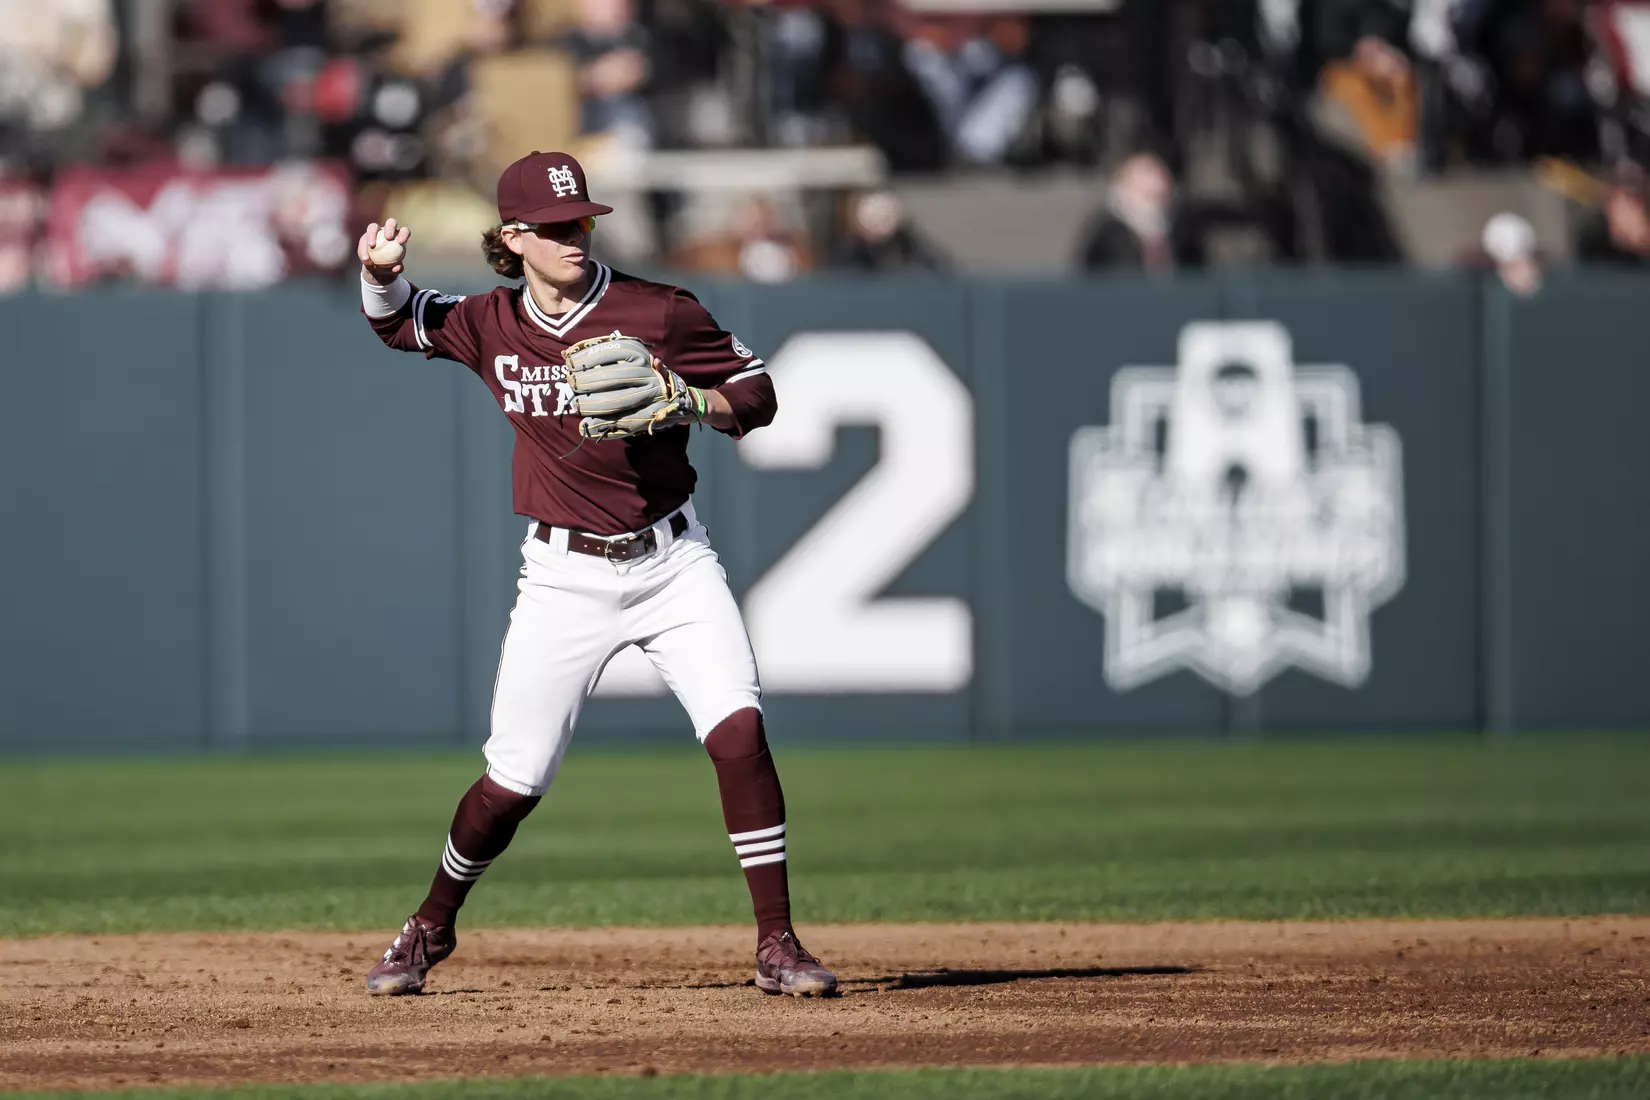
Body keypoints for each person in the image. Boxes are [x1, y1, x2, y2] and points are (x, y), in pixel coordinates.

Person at [354, 150, 837, 999]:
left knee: (738, 732)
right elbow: (399, 324)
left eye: (581, 221)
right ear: (513, 238)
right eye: (553, 227)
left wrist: (690, 400)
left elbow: (757, 393)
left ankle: (777, 943)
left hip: (673, 559)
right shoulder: (487, 321)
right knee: (512, 783)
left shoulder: (658, 310)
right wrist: (381, 275)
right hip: (562, 576)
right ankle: (430, 924)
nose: (574, 237)